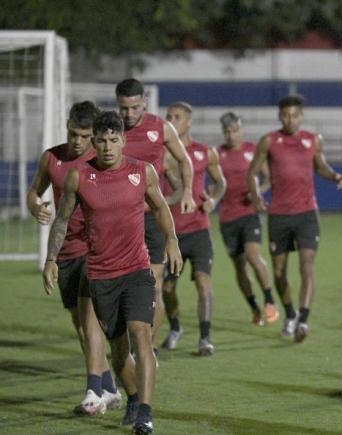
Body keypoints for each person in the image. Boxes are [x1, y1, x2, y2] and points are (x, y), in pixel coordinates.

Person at [42, 111, 182, 434]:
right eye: (101, 141)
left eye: (113, 140)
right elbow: (62, 220)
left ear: (123, 140)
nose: (107, 147)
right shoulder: (79, 176)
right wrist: (52, 259)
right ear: (95, 142)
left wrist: (172, 239)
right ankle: (132, 397)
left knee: (140, 336)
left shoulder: (141, 172)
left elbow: (160, 206)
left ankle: (145, 413)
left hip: (136, 270)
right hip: (101, 276)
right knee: (118, 353)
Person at [27, 101, 123, 414]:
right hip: (65, 251)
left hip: (96, 251)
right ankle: (110, 386)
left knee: (89, 321)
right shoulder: (52, 158)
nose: (78, 141)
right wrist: (34, 206)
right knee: (80, 325)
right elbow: (35, 190)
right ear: (67, 126)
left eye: (84, 135)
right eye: (73, 133)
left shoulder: (102, 162)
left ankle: (94, 392)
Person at [247, 95, 342, 342]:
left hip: (306, 214)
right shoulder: (269, 141)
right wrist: (256, 195)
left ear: (301, 116)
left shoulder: (312, 141)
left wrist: (336, 176)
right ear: (279, 116)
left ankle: (303, 320)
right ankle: (290, 313)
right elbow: (252, 173)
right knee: (280, 272)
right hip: (279, 215)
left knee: (307, 265)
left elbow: (321, 166)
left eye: (294, 115)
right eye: (285, 115)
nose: (290, 120)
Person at [116, 78, 195, 352]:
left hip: (151, 219)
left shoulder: (160, 127)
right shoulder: (110, 131)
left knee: (153, 286)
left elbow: (185, 160)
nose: (129, 114)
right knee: (119, 289)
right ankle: (125, 344)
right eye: (123, 108)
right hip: (118, 222)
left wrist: (186, 193)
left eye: (134, 107)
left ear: (144, 103)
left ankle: (145, 350)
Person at [159, 102, 226, 356]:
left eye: (176, 117)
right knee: (166, 288)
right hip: (170, 232)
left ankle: (205, 338)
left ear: (189, 122)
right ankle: (176, 328)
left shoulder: (204, 152)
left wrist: (214, 200)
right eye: (168, 116)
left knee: (203, 282)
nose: (171, 120)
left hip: (199, 229)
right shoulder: (161, 153)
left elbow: (221, 182)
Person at [216, 112, 279, 327]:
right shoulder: (217, 154)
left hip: (249, 213)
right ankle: (254, 307)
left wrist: (257, 192)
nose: (231, 135)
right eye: (227, 131)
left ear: (241, 130)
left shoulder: (253, 151)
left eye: (235, 130)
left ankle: (269, 300)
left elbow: (269, 178)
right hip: (227, 218)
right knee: (240, 267)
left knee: (253, 256)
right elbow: (215, 183)